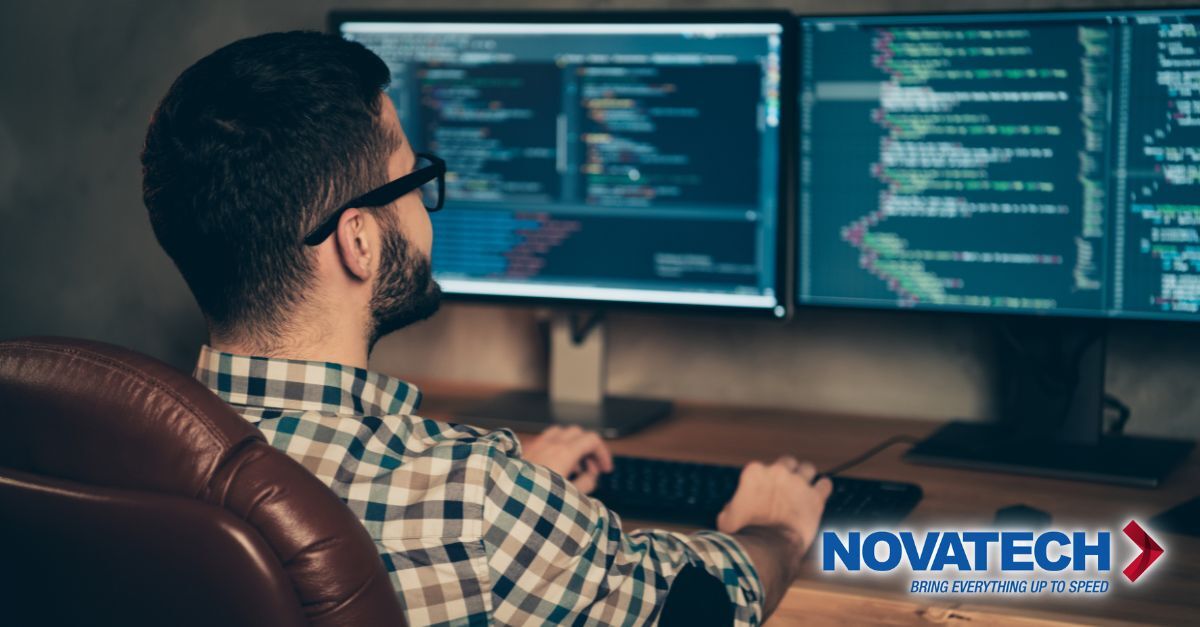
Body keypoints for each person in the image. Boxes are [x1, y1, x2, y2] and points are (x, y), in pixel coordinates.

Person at [141, 30, 830, 626]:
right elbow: (698, 607)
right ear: (359, 241)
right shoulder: (475, 503)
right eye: (412, 180)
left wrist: (528, 494)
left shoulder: (130, 451)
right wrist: (776, 528)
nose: (424, 207)